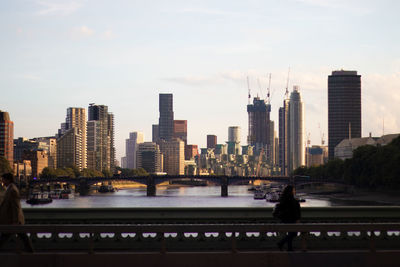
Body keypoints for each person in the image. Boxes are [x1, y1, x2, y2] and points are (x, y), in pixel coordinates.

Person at [0, 173, 34, 252]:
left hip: (12, 221)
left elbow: (16, 207)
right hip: (12, 220)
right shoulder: (10, 189)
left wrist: (16, 221)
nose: (2, 181)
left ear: (7, 180)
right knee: (23, 237)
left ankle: (31, 253)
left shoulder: (12, 190)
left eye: (3, 179)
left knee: (6, 237)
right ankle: (31, 253)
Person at [276, 184, 301, 251]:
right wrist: (298, 219)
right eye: (293, 190)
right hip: (292, 219)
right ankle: (281, 243)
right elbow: (296, 211)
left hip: (285, 219)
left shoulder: (283, 200)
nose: (294, 191)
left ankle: (289, 248)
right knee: (293, 233)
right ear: (291, 191)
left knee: (291, 233)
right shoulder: (293, 201)